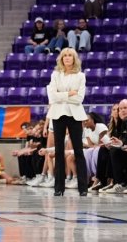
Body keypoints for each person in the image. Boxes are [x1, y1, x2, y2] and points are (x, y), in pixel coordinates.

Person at [46, 48, 88, 196]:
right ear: (61, 59)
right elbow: (52, 96)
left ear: (74, 58)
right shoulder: (55, 75)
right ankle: (59, 188)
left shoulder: (81, 76)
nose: (68, 58)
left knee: (78, 150)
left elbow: (79, 98)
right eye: (65, 56)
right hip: (58, 114)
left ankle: (83, 188)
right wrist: (69, 93)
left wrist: (61, 95)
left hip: (75, 115)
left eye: (70, 55)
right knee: (58, 150)